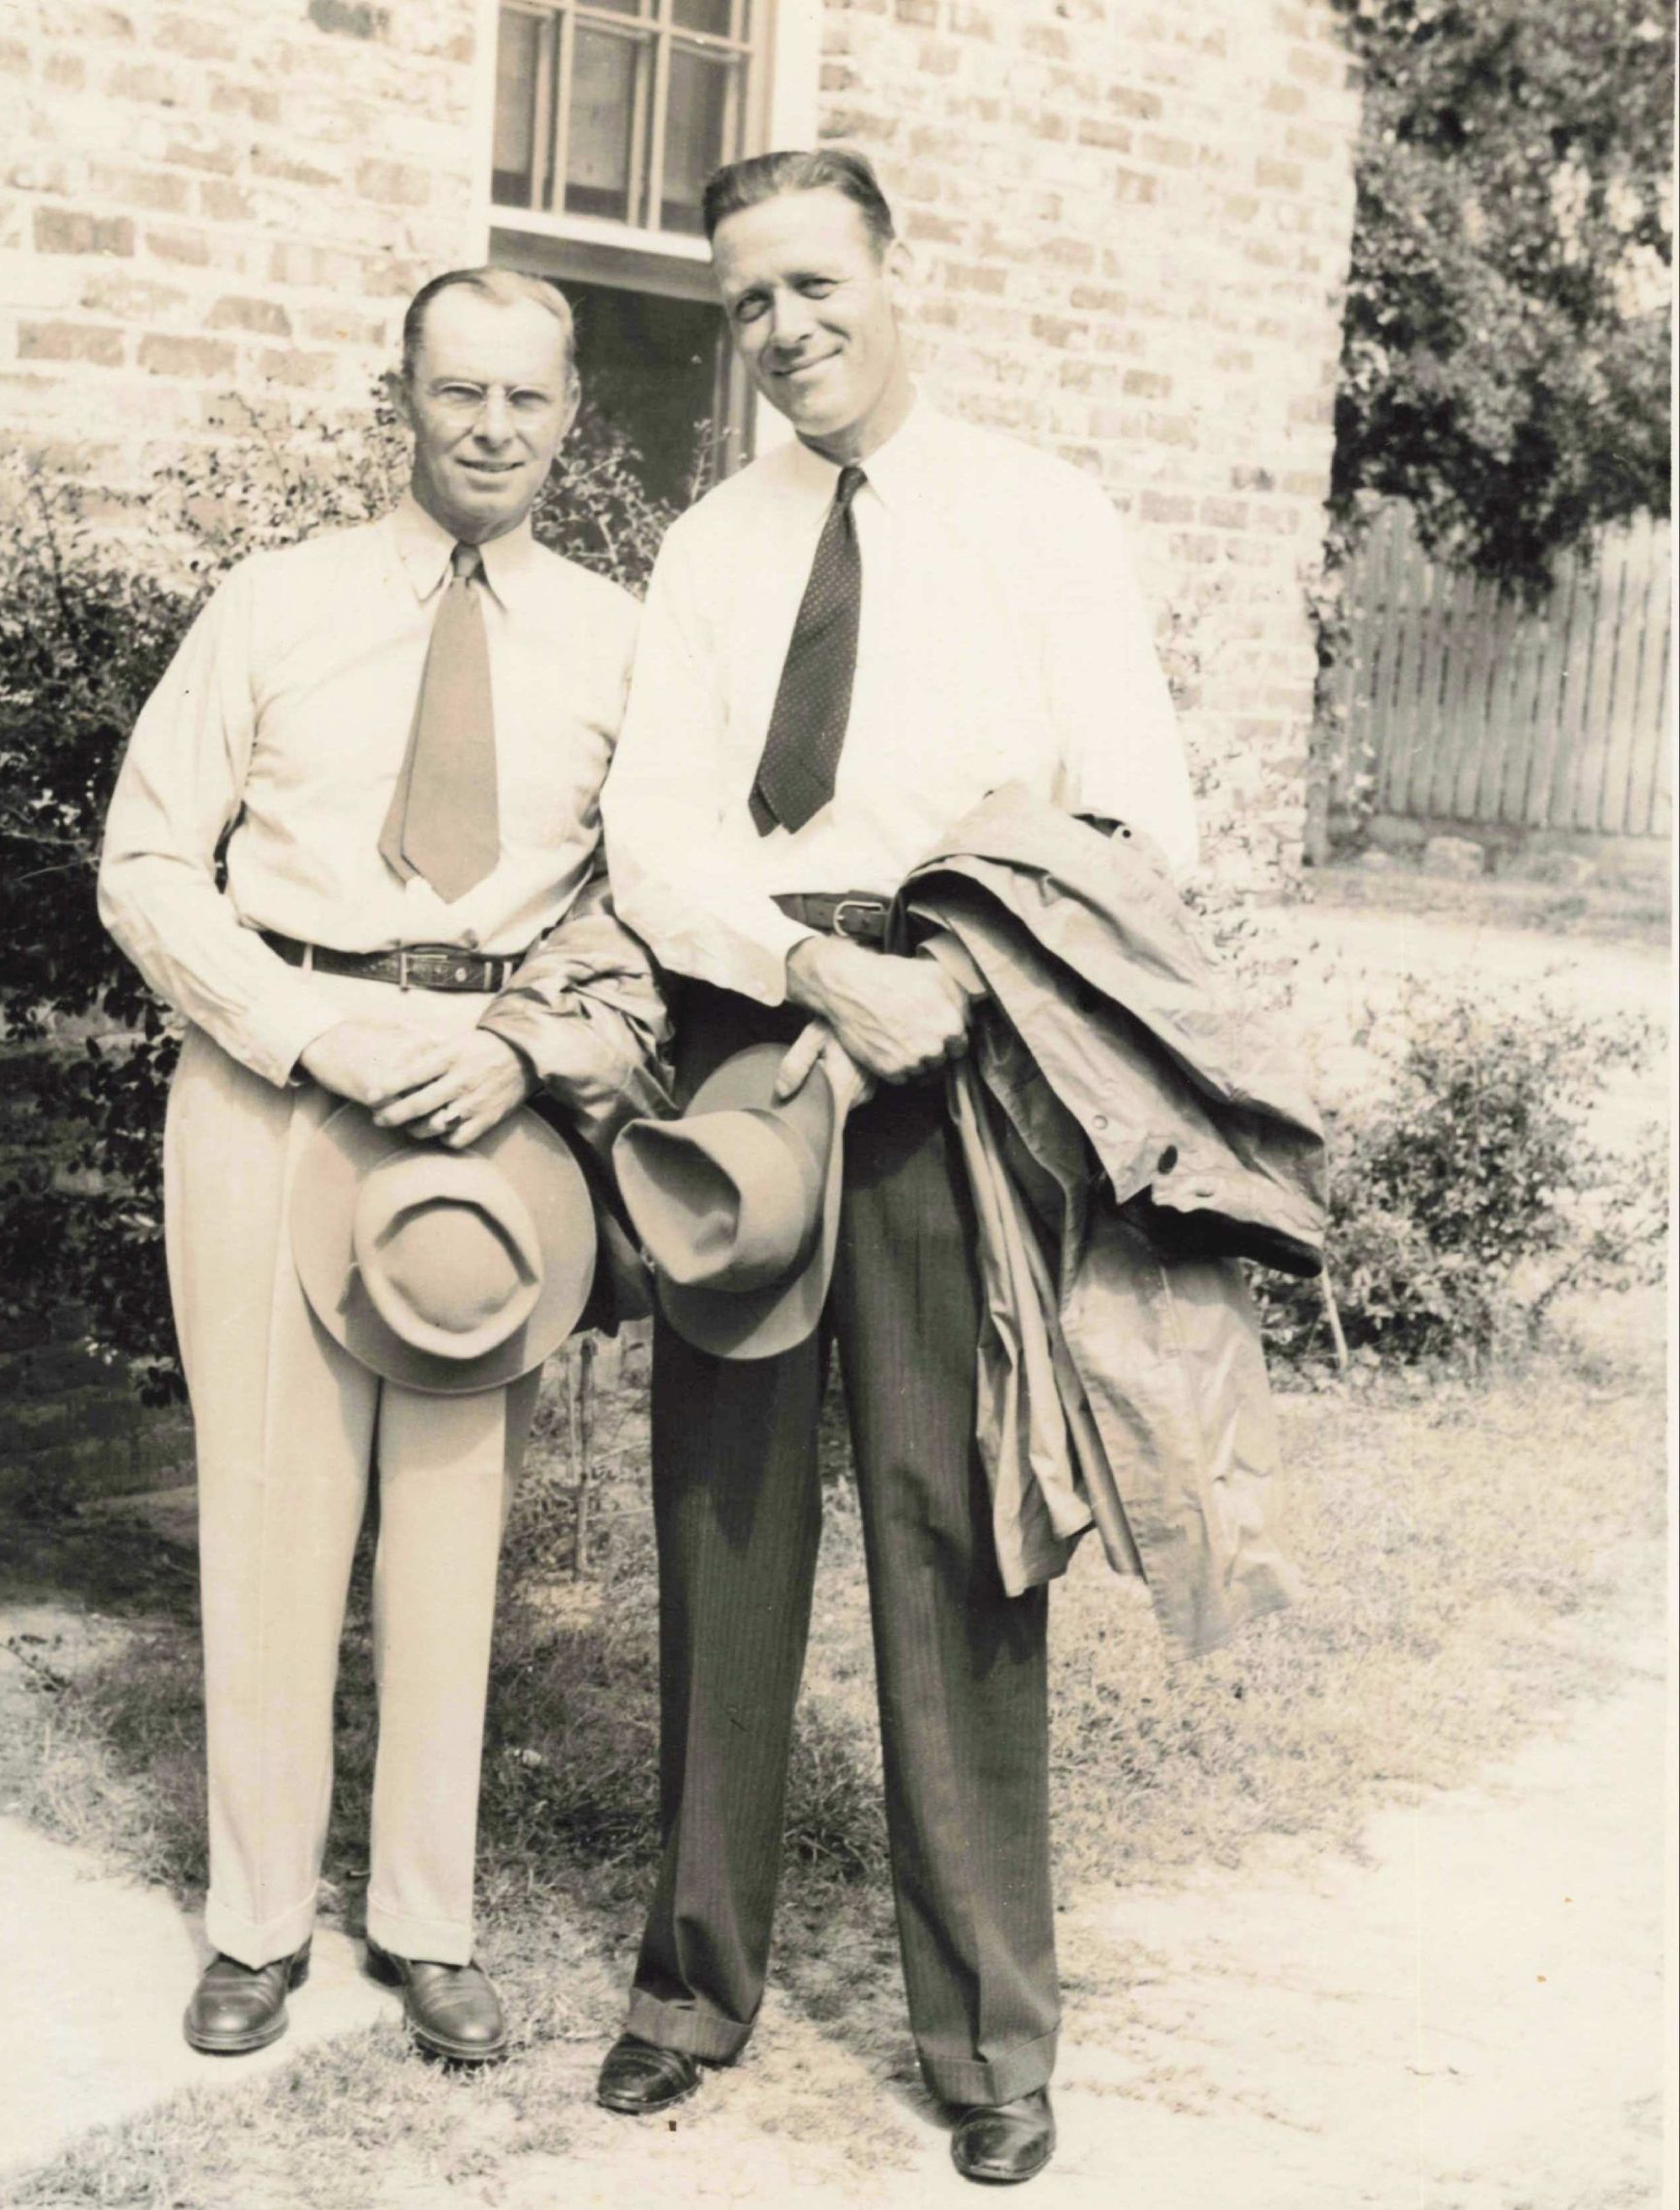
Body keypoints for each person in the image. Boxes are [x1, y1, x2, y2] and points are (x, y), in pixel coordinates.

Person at [596, 149, 1199, 2185]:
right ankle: (690, 1984)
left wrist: (936, 973)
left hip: (958, 1060)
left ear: (892, 271)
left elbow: (1129, 815)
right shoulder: (707, 548)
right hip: (748, 1055)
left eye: (813, 284)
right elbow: (654, 833)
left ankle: (987, 2041)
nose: (784, 330)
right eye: (747, 299)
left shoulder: (1038, 518)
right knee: (724, 1524)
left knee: (956, 1542)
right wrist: (793, 974)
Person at [98, 266, 665, 2065]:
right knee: (272, 1509)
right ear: (398, 397)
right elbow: (147, 865)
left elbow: (646, 898)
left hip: (485, 1099)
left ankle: (430, 1921)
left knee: (448, 1513)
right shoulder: (273, 607)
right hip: (281, 1078)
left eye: (526, 397)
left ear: (572, 416)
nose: (490, 427)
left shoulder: (620, 640)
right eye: (456, 392)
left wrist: (521, 1044)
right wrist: (305, 1032)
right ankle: (258, 1924)